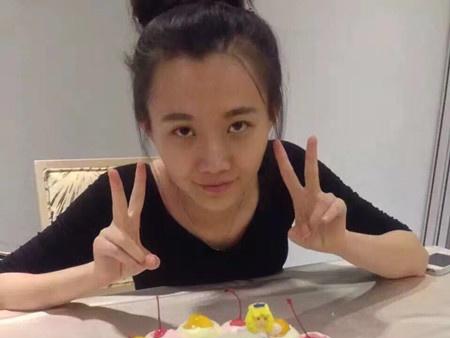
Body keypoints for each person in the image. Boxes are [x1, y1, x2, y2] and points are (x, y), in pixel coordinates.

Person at [0, 0, 428, 311]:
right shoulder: (129, 195)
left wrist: (343, 243)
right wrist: (96, 275)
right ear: (148, 127)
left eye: (238, 125)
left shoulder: (289, 172)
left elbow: (412, 256)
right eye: (183, 130)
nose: (215, 161)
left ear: (271, 114)